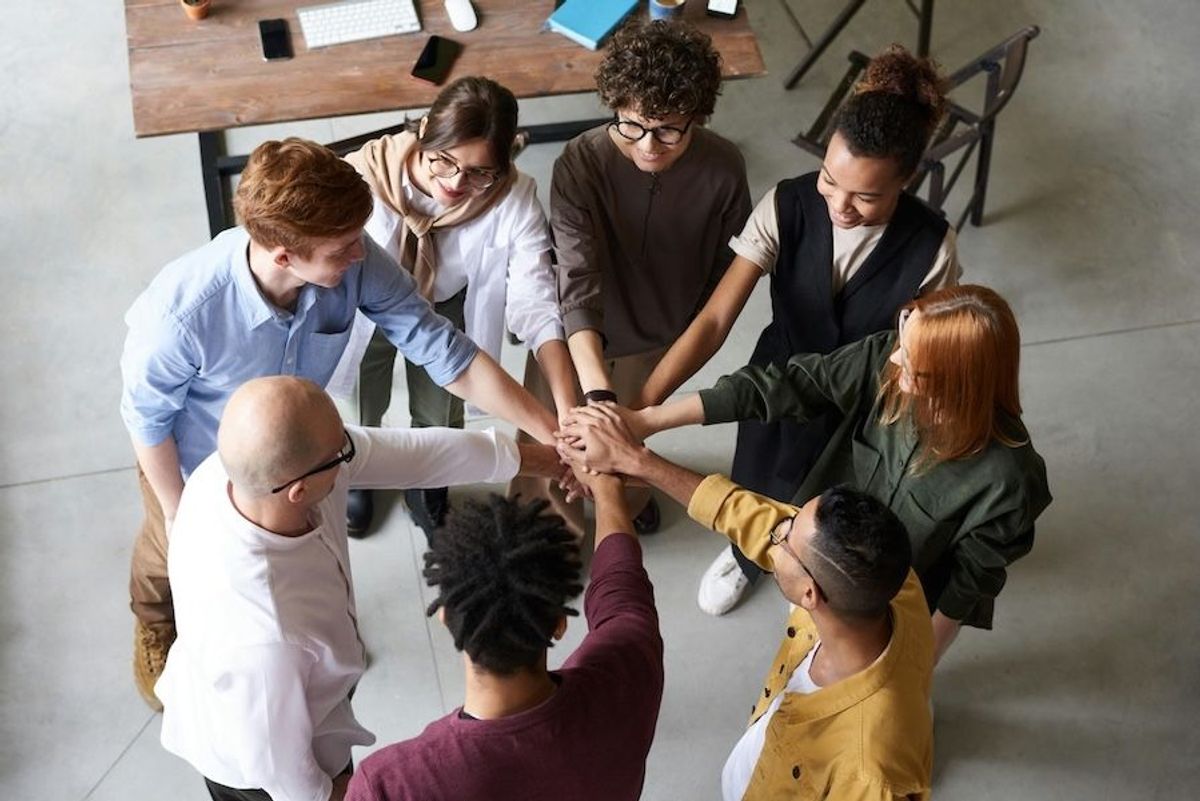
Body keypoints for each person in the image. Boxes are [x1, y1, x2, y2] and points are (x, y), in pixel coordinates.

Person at [119, 137, 558, 710]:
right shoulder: (180, 314)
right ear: (282, 254)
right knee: (164, 557)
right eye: (342, 247)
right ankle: (154, 621)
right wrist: (181, 517)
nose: (361, 254)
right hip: (193, 459)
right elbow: (145, 419)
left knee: (294, 561)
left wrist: (551, 431)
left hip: (300, 452)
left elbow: (443, 350)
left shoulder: (353, 257)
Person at [635, 44, 962, 615]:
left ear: (907, 180)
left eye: (866, 195)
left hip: (863, 403)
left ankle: (812, 570)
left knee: (837, 504)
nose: (840, 205)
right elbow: (714, 320)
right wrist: (642, 409)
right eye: (831, 180)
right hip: (775, 380)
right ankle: (746, 555)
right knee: (759, 474)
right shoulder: (786, 204)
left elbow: (922, 355)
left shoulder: (932, 246)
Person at [566, 285, 1051, 661]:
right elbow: (786, 386)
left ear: (961, 384)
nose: (896, 359)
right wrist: (646, 421)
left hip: (889, 602)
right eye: (903, 339)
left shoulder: (1009, 481)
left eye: (916, 369)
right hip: (813, 545)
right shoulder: (889, 357)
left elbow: (966, 587)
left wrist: (917, 664)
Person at [156, 376, 564, 801]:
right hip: (257, 768)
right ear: (299, 490)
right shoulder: (268, 639)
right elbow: (285, 777)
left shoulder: (243, 474)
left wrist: (550, 460)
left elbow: (415, 456)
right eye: (341, 452)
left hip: (294, 694)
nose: (351, 451)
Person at [556, 404, 934, 800]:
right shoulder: (889, 580)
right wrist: (635, 461)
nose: (776, 530)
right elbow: (752, 516)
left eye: (785, 537)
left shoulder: (871, 770)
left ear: (810, 593)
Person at [509, 18, 752, 539]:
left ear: (697, 117)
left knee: (632, 445)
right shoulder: (582, 160)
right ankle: (551, 531)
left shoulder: (725, 170)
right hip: (577, 335)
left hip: (658, 338)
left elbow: (720, 281)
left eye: (668, 130)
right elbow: (575, 278)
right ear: (614, 108)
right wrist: (597, 400)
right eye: (631, 126)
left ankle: (629, 497)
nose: (648, 146)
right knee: (558, 435)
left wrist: (625, 415)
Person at [338, 76, 577, 537]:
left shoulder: (513, 196)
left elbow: (536, 301)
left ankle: (427, 482)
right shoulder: (362, 174)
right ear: (425, 130)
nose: (454, 183)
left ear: (502, 165)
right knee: (359, 400)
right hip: (366, 309)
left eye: (478, 173)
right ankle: (359, 471)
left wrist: (565, 414)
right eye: (443, 162)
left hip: (446, 306)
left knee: (440, 409)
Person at [344, 478, 663, 800]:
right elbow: (622, 586)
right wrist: (607, 490)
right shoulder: (630, 669)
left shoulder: (390, 785)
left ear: (446, 618)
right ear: (560, 623)